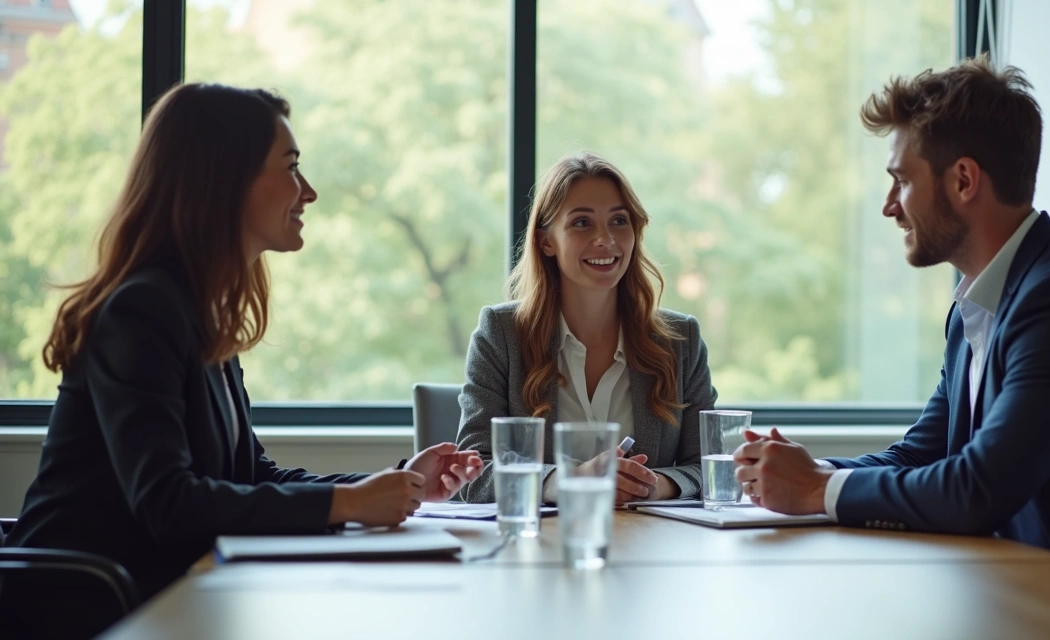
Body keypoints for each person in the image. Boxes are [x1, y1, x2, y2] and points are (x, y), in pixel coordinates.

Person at [0, 84, 482, 638]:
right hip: (85, 607)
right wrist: (347, 502)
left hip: (170, 597)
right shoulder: (141, 311)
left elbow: (252, 476)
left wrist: (397, 484)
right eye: (292, 167)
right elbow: (168, 502)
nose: (309, 191)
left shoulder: (199, 312)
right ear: (224, 181)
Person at [733, 56, 1050, 556]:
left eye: (902, 181)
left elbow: (977, 490)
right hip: (1036, 582)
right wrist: (814, 472)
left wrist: (814, 489)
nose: (890, 206)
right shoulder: (976, 306)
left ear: (963, 180)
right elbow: (923, 455)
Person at [456, 152, 716, 506]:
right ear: (546, 241)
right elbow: (472, 472)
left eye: (619, 221)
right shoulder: (500, 334)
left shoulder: (680, 340)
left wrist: (653, 486)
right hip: (538, 539)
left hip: (647, 536)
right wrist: (569, 481)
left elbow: (710, 465)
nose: (605, 239)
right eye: (582, 223)